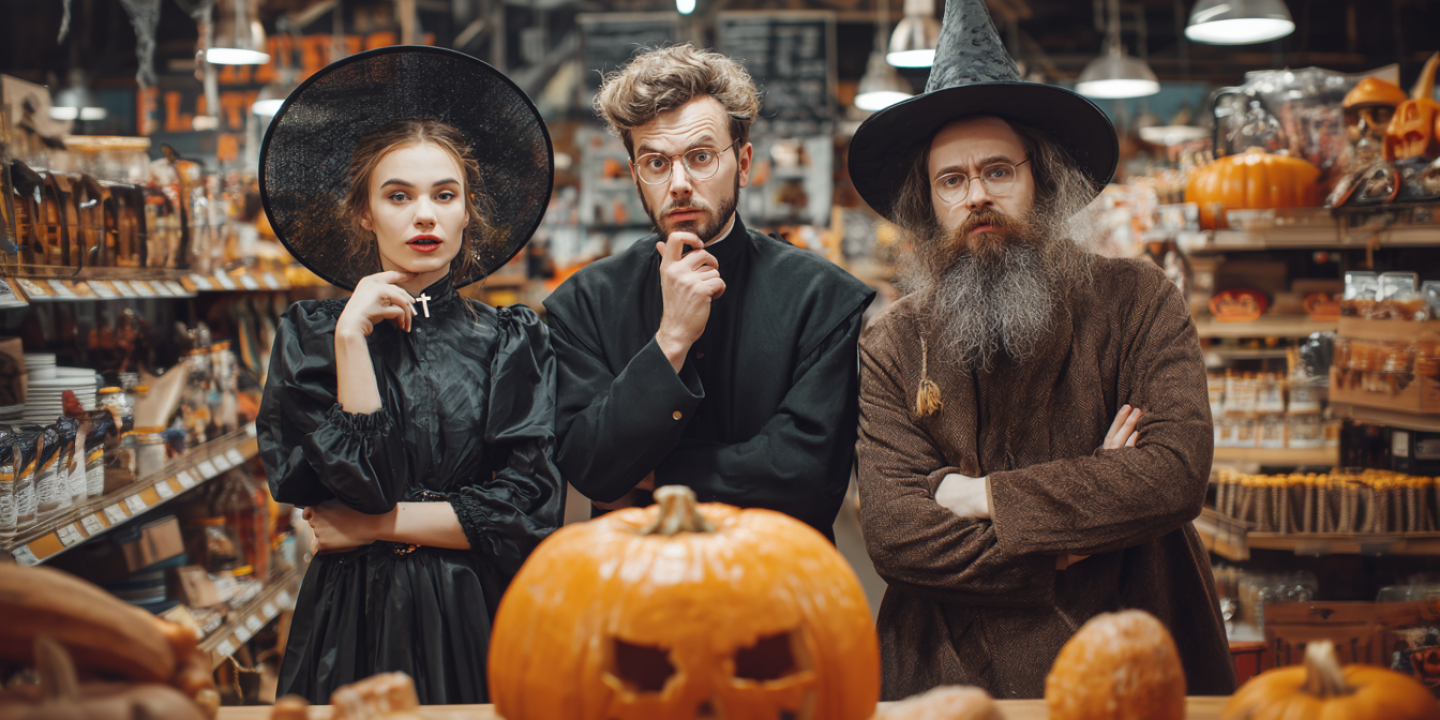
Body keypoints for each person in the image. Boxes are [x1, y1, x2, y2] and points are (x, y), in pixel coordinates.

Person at [846, 0, 1236, 701]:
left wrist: (978, 495)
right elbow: (898, 533)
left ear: (1042, 179)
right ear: (928, 203)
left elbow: (1174, 472)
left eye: (999, 171)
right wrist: (1075, 537)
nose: (977, 198)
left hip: (1134, 649)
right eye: (952, 180)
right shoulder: (892, 342)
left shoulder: (1140, 299)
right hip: (949, 672)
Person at [255, 47, 562, 704]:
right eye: (399, 196)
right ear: (365, 212)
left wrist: (376, 527)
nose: (424, 215)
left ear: (465, 211)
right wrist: (350, 339)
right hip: (351, 618)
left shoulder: (511, 339)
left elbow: (527, 515)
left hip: (470, 609)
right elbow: (367, 484)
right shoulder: (313, 337)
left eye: (443, 195)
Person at [544, 44, 874, 540]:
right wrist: (671, 340)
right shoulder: (583, 304)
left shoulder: (823, 299)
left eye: (700, 157)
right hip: (631, 592)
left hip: (779, 586)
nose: (678, 183)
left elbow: (808, 481)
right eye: (656, 163)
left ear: (742, 164)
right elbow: (591, 469)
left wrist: (659, 476)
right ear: (636, 175)